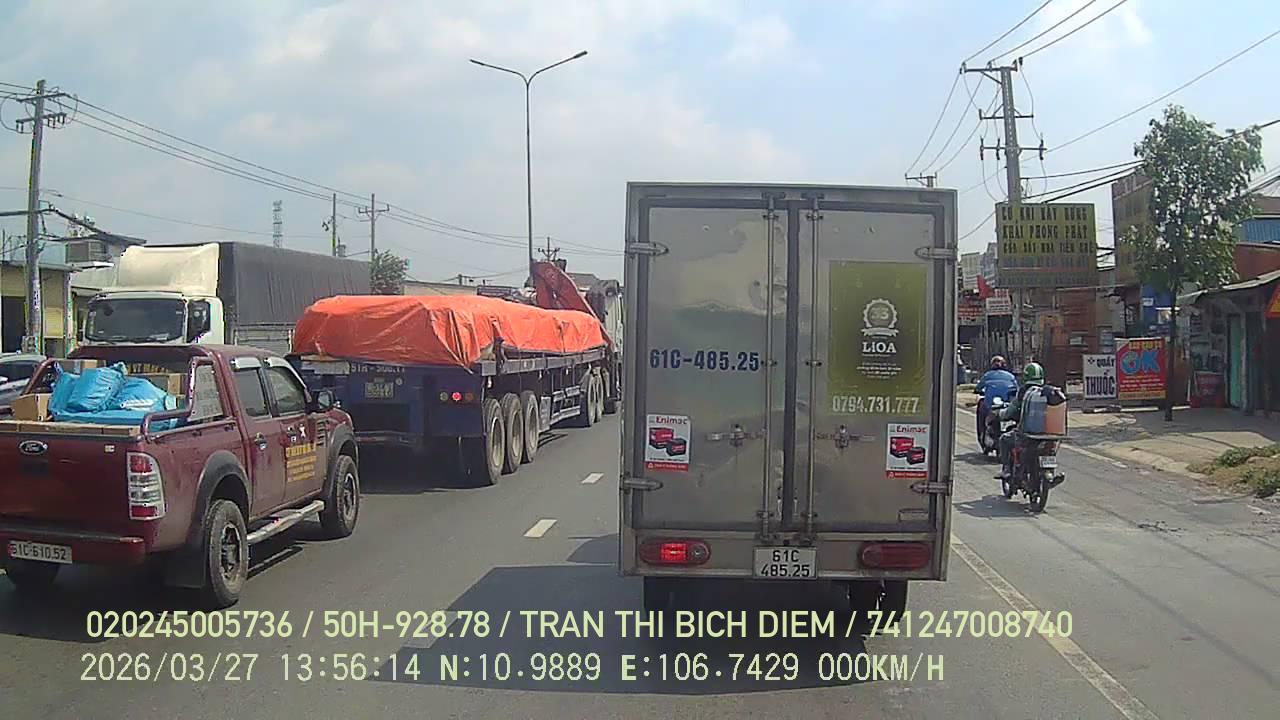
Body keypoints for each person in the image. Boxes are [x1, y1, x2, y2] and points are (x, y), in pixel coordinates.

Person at [998, 362, 1045, 480]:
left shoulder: (1024, 392)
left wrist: (1001, 414)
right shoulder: (1045, 392)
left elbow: (1010, 411)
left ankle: (1006, 469)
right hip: (1046, 434)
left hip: (1026, 433)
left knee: (1004, 439)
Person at [975, 356, 1018, 438]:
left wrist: (978, 390)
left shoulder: (987, 375)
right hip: (1006, 405)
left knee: (981, 408)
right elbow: (1016, 389)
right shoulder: (1010, 376)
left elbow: (978, 388)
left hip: (992, 405)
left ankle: (982, 432)